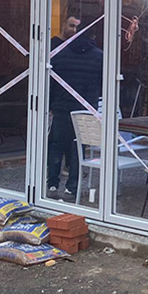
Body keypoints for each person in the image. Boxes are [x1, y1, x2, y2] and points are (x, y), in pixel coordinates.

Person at [47, 13, 103, 199]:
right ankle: (72, 187)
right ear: (93, 36)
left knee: (56, 145)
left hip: (62, 107)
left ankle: (52, 184)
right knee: (78, 148)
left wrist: (50, 105)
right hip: (85, 109)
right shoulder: (99, 57)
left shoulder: (59, 53)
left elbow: (51, 82)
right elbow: (103, 82)